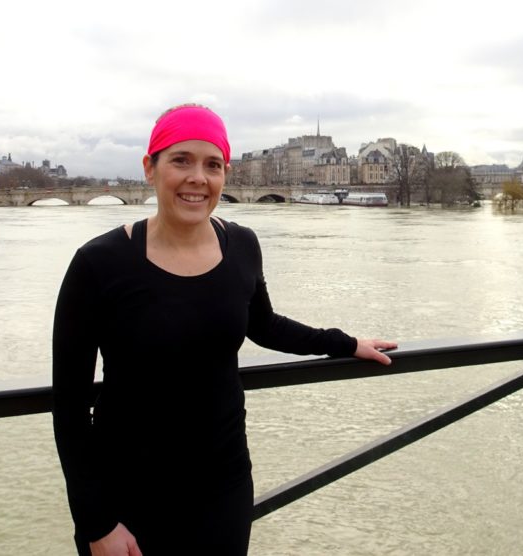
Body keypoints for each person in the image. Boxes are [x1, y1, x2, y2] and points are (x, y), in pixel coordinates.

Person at [52, 104, 397, 556]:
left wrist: (347, 343)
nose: (198, 177)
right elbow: (69, 409)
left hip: (223, 484)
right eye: (181, 160)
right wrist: (97, 522)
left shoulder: (242, 245)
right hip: (128, 493)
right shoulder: (98, 263)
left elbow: (265, 324)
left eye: (212, 165)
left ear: (224, 176)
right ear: (149, 168)